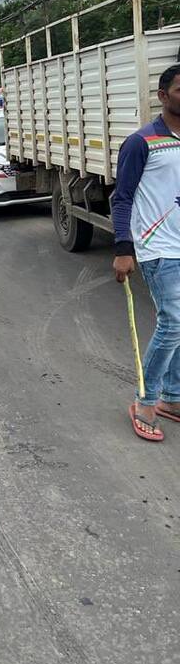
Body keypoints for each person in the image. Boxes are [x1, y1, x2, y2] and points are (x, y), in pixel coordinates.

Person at [113, 63, 180, 441]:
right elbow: (122, 198)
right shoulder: (141, 142)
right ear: (163, 95)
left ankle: (173, 398)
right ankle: (146, 401)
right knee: (173, 323)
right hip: (159, 248)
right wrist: (124, 248)